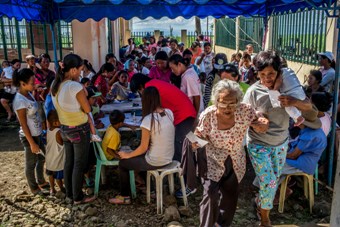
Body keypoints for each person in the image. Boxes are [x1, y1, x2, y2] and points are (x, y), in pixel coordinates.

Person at [243, 50, 315, 227]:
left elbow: (310, 108)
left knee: (273, 182)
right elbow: (242, 116)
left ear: (279, 72)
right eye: (262, 74)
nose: (267, 78)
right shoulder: (253, 92)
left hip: (281, 143)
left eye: (271, 74)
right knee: (269, 182)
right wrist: (256, 120)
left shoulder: (289, 87)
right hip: (258, 144)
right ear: (257, 73)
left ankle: (260, 203)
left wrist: (292, 101)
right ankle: (265, 220)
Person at [194, 79, 268, 227]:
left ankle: (222, 225)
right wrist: (193, 143)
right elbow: (199, 136)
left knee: (230, 197)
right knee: (210, 195)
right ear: (216, 101)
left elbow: (260, 123)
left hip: (235, 160)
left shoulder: (245, 111)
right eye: (222, 103)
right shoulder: (208, 115)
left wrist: (263, 123)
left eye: (232, 103)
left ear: (238, 101)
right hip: (213, 159)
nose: (227, 107)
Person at [109, 86, 175, 204]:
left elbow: (143, 148)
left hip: (156, 160)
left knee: (123, 163)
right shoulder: (169, 113)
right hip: (169, 157)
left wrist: (127, 155)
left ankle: (124, 196)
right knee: (140, 158)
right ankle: (151, 190)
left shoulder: (148, 120)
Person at [51, 53, 95, 204]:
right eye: (81, 69)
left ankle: (70, 194)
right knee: (79, 164)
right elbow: (87, 108)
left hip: (64, 129)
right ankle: (78, 197)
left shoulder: (56, 85)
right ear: (74, 70)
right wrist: (84, 91)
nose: (82, 73)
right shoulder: (74, 86)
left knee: (68, 162)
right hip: (79, 129)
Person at [129, 74, 196, 163]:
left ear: (141, 86)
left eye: (139, 90)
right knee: (188, 143)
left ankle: (184, 173)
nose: (141, 93)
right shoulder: (155, 82)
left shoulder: (149, 88)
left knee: (181, 145)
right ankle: (186, 170)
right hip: (187, 112)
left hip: (183, 115)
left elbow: (152, 111)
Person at [12, 68, 49, 195]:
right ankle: (34, 187)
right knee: (30, 163)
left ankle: (41, 181)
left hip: (37, 133)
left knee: (42, 158)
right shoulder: (19, 100)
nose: (34, 85)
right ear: (22, 83)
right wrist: (32, 143)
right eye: (32, 83)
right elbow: (23, 124)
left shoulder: (29, 94)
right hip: (29, 136)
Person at [46, 110, 65, 195]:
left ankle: (52, 189)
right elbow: (63, 142)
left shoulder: (49, 130)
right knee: (58, 176)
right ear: (56, 123)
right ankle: (61, 188)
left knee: (50, 174)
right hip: (57, 158)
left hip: (49, 157)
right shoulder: (59, 132)